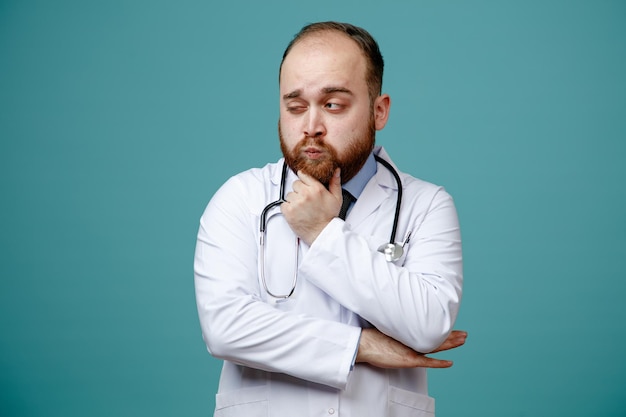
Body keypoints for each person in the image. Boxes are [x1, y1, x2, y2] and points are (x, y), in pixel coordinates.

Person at [194, 21, 465, 417]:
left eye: (333, 105)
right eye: (295, 106)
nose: (311, 127)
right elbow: (226, 327)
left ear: (379, 110)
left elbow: (429, 323)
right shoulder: (240, 199)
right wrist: (361, 345)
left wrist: (322, 233)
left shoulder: (426, 205)